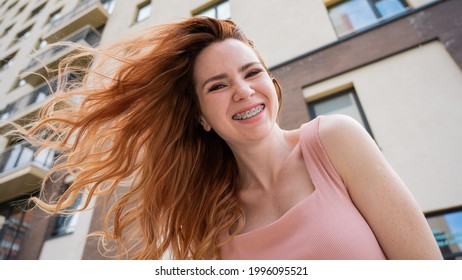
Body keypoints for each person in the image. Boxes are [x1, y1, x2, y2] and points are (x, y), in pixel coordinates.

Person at [24, 17, 442, 260]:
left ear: (270, 82)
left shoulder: (335, 141)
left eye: (252, 72)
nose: (243, 91)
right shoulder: (211, 223)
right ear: (201, 118)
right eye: (217, 86)